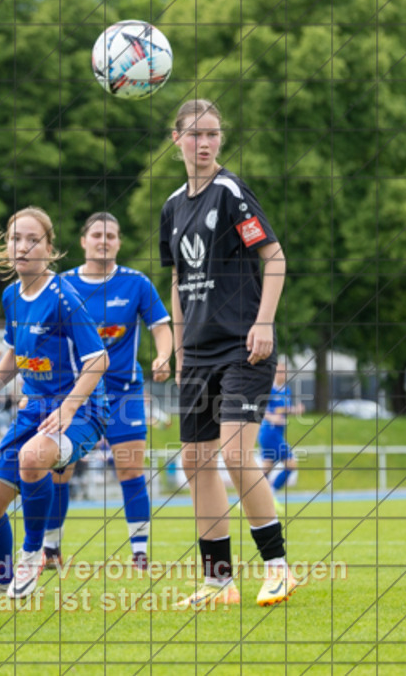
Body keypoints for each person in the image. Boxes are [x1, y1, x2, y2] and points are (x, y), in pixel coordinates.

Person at [159, 99, 296, 609]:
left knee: (237, 454)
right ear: (177, 140)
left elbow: (275, 257)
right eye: (195, 135)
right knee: (196, 462)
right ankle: (219, 581)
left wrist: (264, 322)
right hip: (196, 353)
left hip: (243, 346)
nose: (205, 143)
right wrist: (176, 349)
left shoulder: (231, 193)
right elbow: (176, 277)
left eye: (213, 134)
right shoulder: (173, 206)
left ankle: (279, 569)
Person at [0, 206, 109, 600]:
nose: (22, 247)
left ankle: (34, 551)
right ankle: (1, 578)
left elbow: (98, 361)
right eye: (15, 239)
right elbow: (12, 354)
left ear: (50, 249)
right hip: (35, 408)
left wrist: (68, 409)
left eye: (32, 240)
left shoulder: (63, 297)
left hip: (83, 409)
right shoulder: (12, 296)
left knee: (32, 458)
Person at [40, 211, 173, 571]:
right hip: (76, 395)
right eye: (97, 234)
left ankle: (140, 553)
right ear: (83, 241)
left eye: (111, 235)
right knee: (59, 470)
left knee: (130, 470)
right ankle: (51, 550)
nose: (104, 240)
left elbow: (161, 326)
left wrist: (164, 356)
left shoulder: (137, 283)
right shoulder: (61, 285)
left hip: (123, 393)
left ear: (119, 242)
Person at [258, 361, 304, 511]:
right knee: (291, 464)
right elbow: (260, 409)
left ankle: (248, 498)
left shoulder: (286, 390)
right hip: (269, 433)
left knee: (266, 468)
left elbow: (282, 409)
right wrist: (272, 418)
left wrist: (295, 410)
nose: (282, 375)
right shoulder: (268, 389)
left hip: (277, 433)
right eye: (279, 372)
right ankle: (270, 495)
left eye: (284, 372)